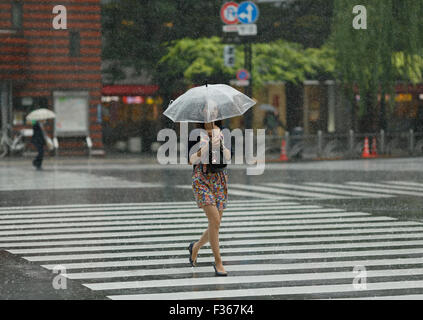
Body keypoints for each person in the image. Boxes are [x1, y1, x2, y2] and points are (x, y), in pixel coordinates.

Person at [187, 119, 232, 276]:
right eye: (207, 111)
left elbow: (228, 156)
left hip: (219, 179)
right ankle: (218, 263)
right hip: (201, 179)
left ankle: (196, 246)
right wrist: (202, 150)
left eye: (213, 111)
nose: (210, 115)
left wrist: (220, 144)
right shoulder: (195, 134)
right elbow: (190, 160)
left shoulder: (224, 131)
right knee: (215, 220)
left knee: (215, 224)